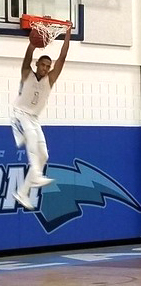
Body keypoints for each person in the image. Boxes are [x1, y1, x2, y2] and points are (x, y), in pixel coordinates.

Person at [11, 23, 72, 210]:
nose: (45, 68)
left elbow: (62, 57)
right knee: (30, 138)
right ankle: (36, 175)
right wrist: (32, 42)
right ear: (37, 64)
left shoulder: (50, 79)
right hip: (20, 115)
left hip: (34, 118)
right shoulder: (27, 73)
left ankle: (22, 192)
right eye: (42, 64)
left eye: (48, 66)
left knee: (44, 154)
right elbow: (27, 57)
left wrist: (68, 33)